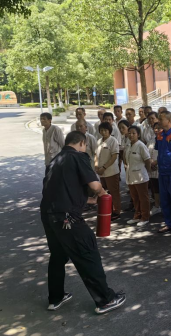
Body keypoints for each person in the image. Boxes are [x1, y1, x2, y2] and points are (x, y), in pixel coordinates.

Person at [40, 131, 126, 314]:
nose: (85, 148)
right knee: (87, 252)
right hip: (67, 217)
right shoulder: (77, 157)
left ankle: (55, 298)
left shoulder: (55, 161)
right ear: (81, 143)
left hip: (49, 214)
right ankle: (105, 300)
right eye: (85, 145)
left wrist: (87, 200)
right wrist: (102, 194)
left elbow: (60, 190)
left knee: (58, 255)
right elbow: (94, 185)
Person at [124, 126, 152, 227]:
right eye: (129, 133)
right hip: (131, 175)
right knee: (135, 197)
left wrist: (148, 171)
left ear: (138, 135)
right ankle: (137, 215)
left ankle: (145, 217)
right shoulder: (128, 145)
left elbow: (147, 160)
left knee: (143, 198)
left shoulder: (141, 145)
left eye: (134, 133)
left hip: (141, 176)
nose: (131, 135)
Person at [95, 122, 122, 220]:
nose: (103, 132)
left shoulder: (113, 141)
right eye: (101, 130)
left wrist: (104, 167)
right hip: (101, 172)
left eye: (105, 130)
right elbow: (96, 155)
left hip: (111, 171)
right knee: (104, 191)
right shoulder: (99, 141)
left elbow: (114, 156)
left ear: (110, 131)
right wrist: (96, 166)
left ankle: (116, 211)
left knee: (114, 192)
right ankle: (108, 209)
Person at [148, 122, 162, 216]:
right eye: (155, 128)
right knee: (155, 188)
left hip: (162, 168)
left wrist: (156, 162)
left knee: (164, 189)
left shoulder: (166, 140)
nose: (156, 130)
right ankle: (157, 206)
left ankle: (164, 206)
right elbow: (146, 153)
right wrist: (150, 163)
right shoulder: (151, 141)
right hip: (152, 169)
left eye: (159, 128)